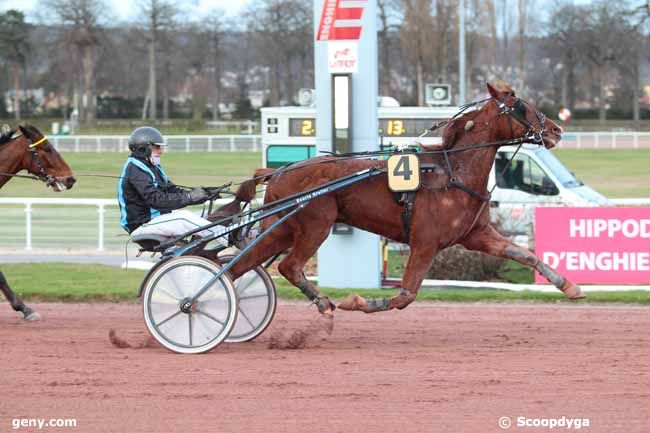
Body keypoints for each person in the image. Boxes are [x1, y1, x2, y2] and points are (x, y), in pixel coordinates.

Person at [117, 126, 227, 244]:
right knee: (184, 218)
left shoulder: (151, 166)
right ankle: (231, 238)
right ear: (143, 148)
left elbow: (171, 190)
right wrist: (189, 197)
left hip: (157, 220)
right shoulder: (135, 170)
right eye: (156, 147)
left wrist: (203, 195)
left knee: (208, 216)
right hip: (142, 225)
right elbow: (157, 200)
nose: (161, 151)